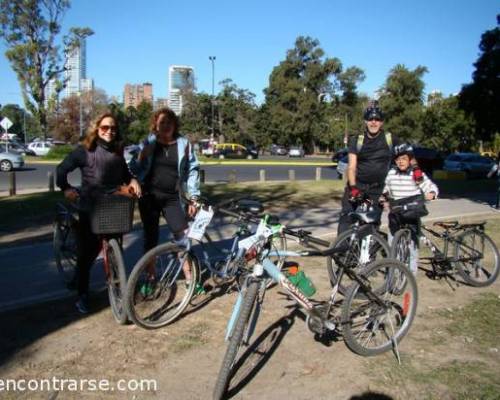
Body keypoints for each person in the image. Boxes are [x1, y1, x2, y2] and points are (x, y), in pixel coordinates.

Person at [56, 112, 142, 314]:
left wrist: (133, 180)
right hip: (90, 207)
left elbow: (125, 174)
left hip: (113, 206)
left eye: (113, 128)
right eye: (105, 127)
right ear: (97, 129)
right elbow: (61, 170)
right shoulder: (84, 151)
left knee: (114, 250)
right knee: (86, 255)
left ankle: (117, 287)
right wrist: (66, 188)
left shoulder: (118, 152)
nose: (109, 131)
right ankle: (82, 295)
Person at [128, 107, 201, 290]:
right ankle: (151, 279)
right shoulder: (148, 142)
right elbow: (133, 169)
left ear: (174, 124)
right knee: (150, 239)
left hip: (172, 198)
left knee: (182, 237)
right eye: (162, 122)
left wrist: (193, 197)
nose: (166, 125)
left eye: (169, 122)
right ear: (156, 125)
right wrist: (139, 158)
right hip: (149, 197)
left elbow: (192, 170)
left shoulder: (184, 144)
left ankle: (190, 278)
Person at [337, 102, 403, 234]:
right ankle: (341, 252)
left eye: (377, 119)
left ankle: (368, 254)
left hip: (377, 191)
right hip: (357, 187)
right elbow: (351, 167)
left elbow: (407, 156)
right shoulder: (357, 140)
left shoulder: (390, 139)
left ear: (382, 122)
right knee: (346, 218)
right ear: (365, 121)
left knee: (371, 227)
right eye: (370, 119)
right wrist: (354, 188)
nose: (374, 122)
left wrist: (415, 172)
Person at [381, 143, 439, 275]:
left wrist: (432, 193)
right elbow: (384, 190)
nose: (401, 162)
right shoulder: (391, 174)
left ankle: (411, 274)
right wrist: (382, 199)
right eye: (398, 159)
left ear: (410, 160)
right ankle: (393, 274)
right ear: (395, 161)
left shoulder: (415, 174)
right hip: (396, 215)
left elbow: (430, 186)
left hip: (411, 213)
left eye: (404, 158)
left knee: (412, 247)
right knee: (392, 246)